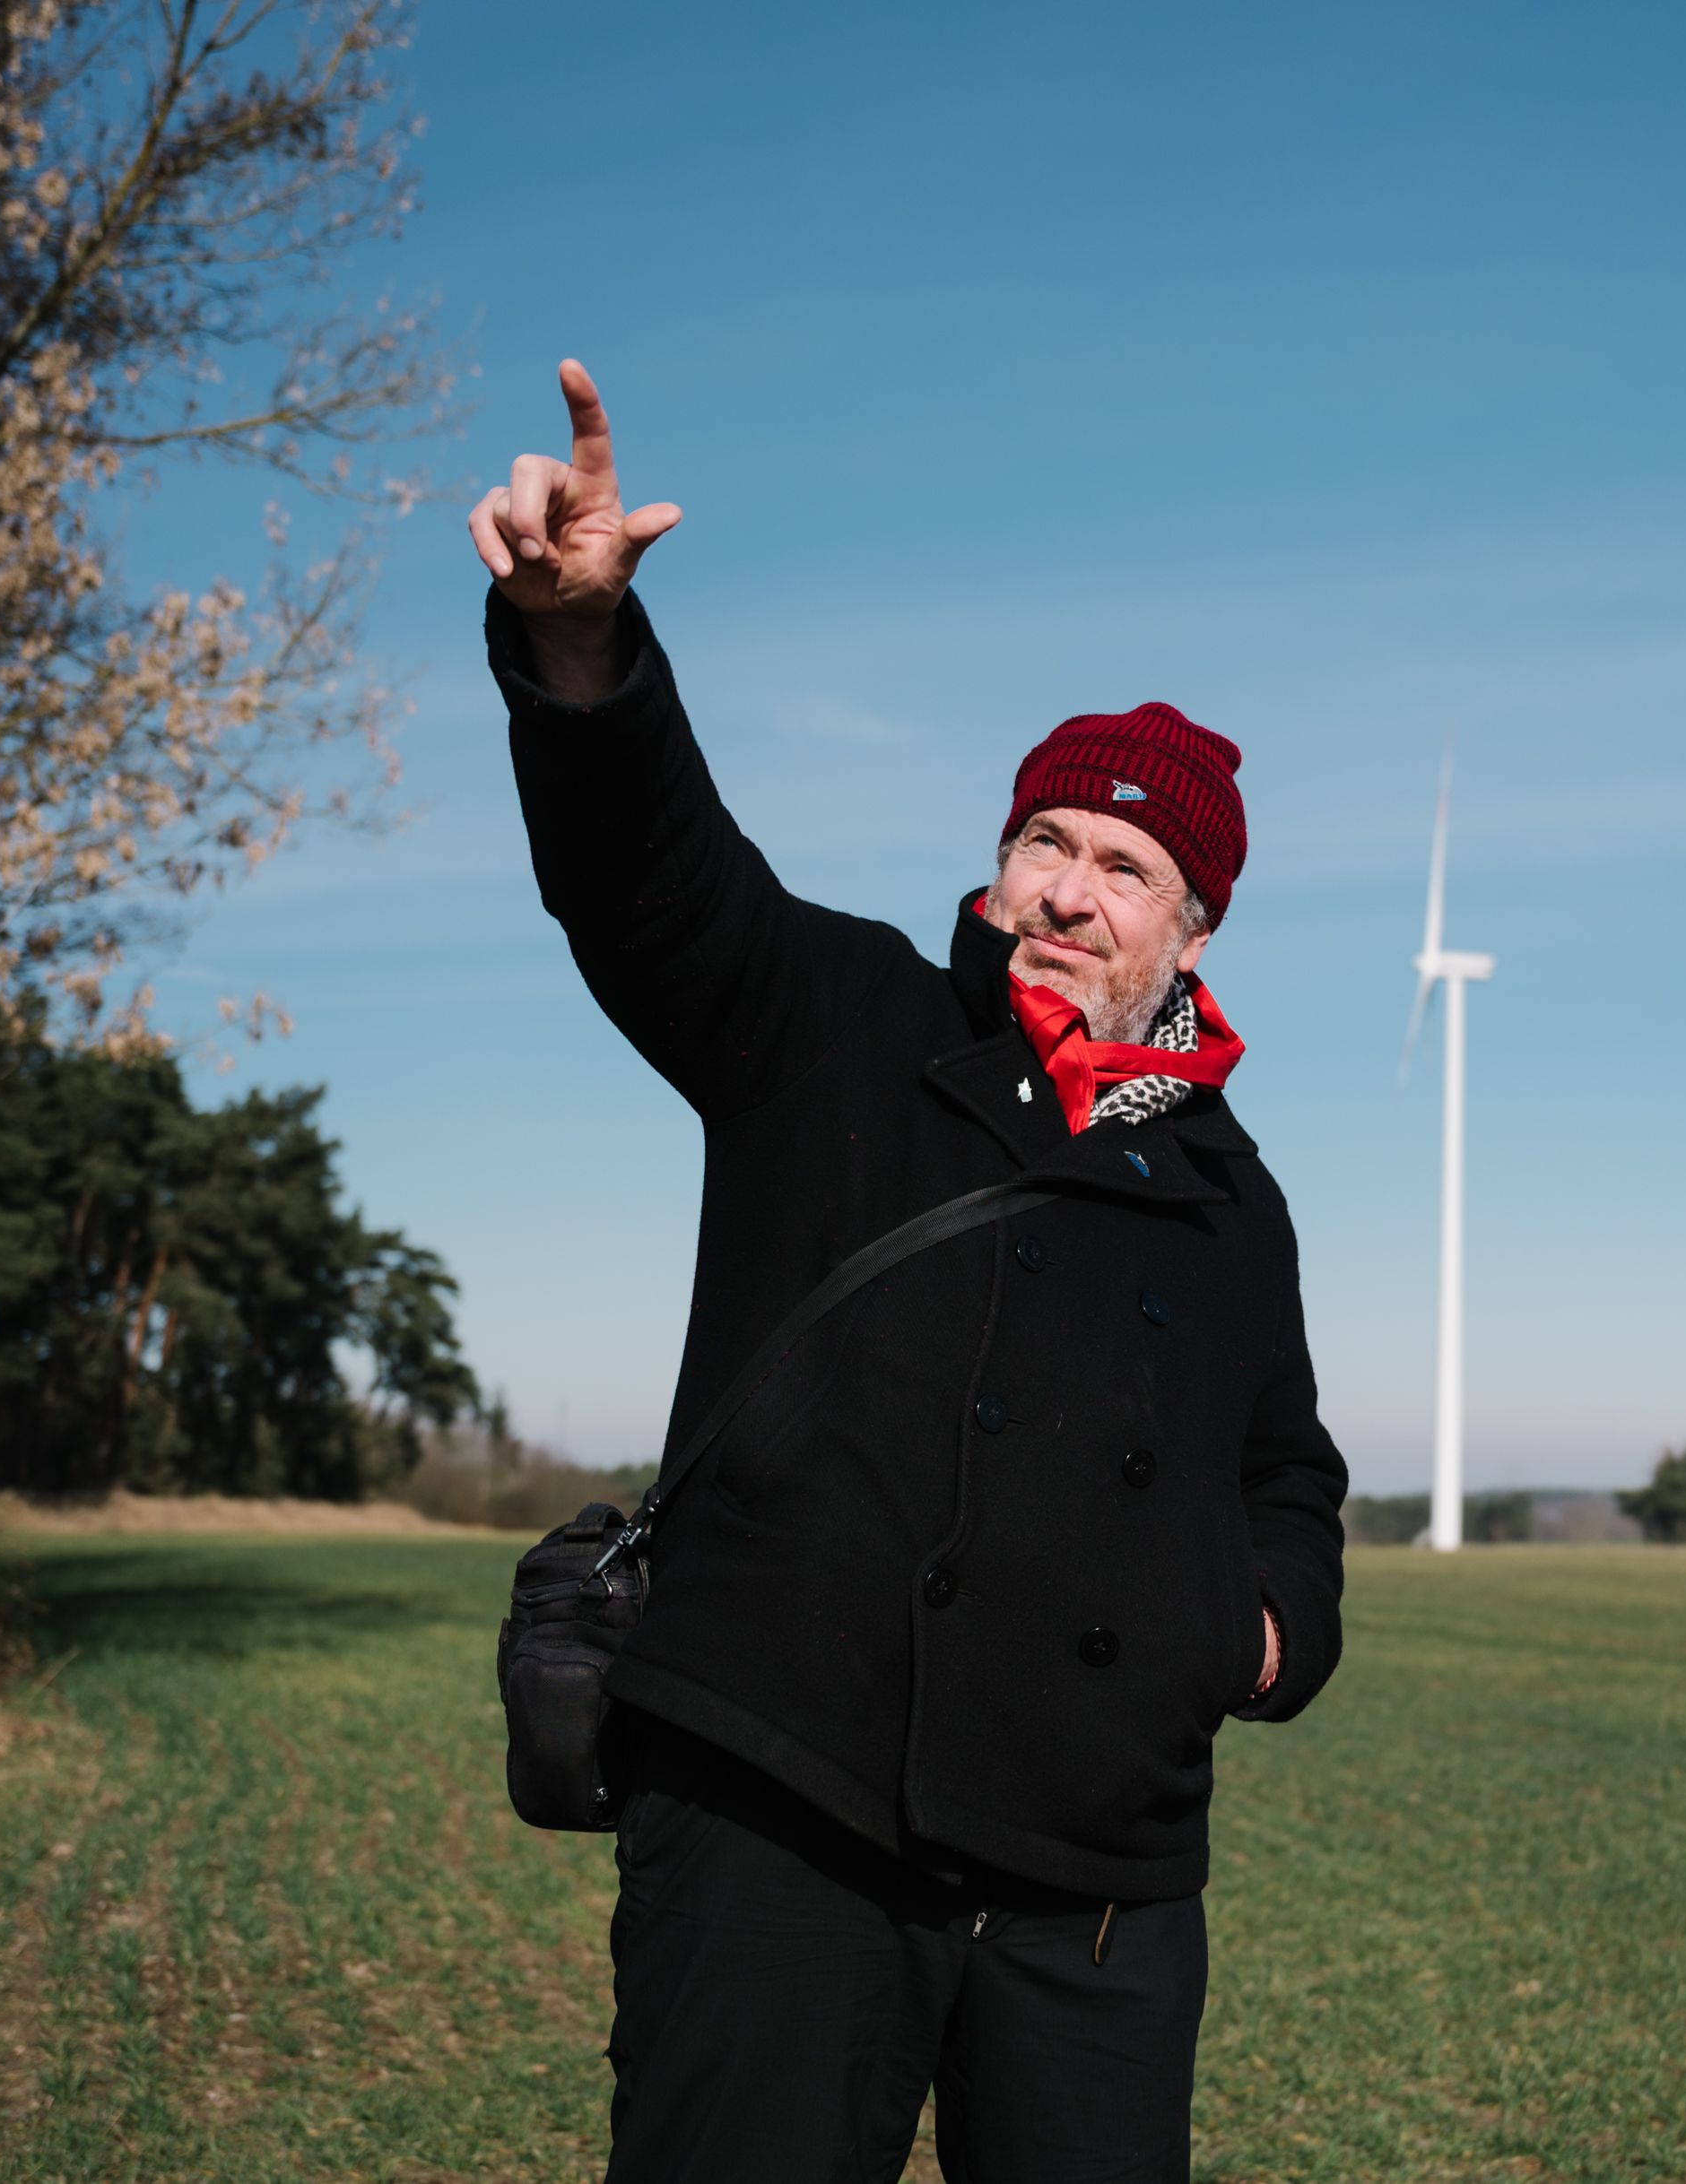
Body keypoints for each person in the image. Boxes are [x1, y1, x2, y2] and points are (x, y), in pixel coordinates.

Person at [469, 361, 1348, 2183]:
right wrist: (583, 654)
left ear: (1193, 930)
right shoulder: (845, 1014)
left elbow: (1286, 1470)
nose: (1068, 891)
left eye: (1124, 865)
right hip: (783, 1813)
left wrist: (1262, 1628)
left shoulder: (1223, 1188)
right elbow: (653, 879)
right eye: (1046, 842)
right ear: (997, 858)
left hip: (1096, 1879)